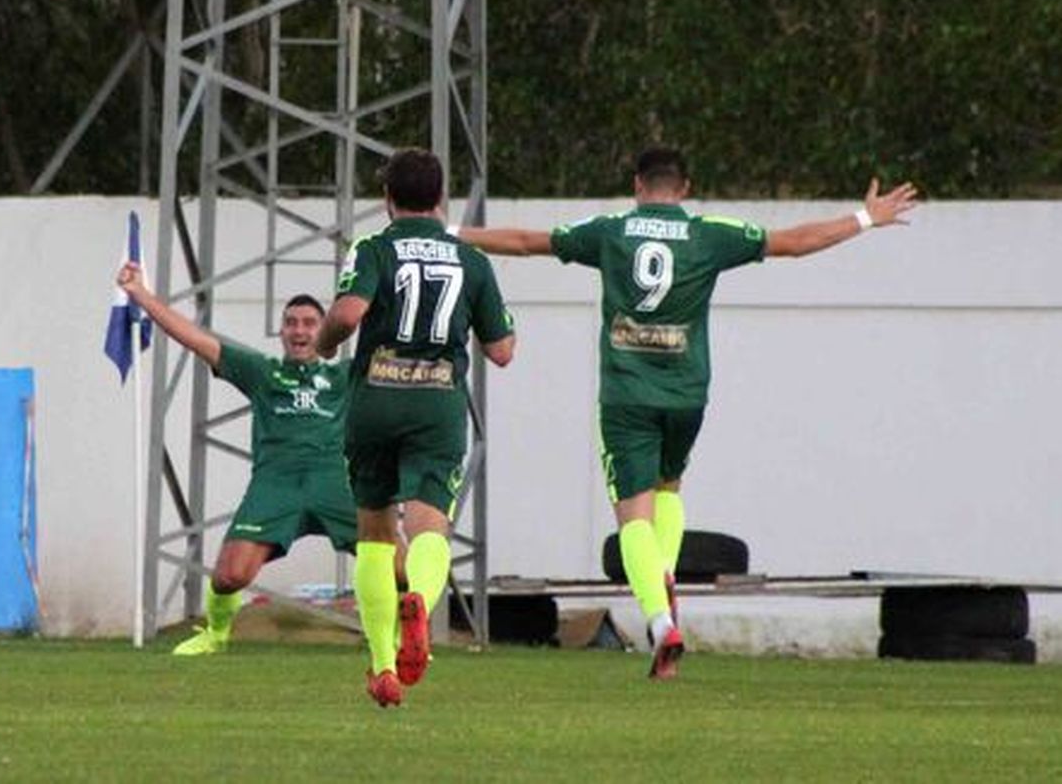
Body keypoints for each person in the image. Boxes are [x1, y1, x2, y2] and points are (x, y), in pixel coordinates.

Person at [458, 146, 919, 679]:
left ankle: (659, 621)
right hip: (686, 395)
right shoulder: (709, 233)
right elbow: (794, 243)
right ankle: (666, 579)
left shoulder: (610, 231)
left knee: (632, 512)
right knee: (669, 487)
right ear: (684, 188)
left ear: (637, 185)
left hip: (628, 396)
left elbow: (524, 242)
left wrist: (454, 234)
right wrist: (866, 216)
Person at [317, 147, 516, 707]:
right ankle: (421, 607)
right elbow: (501, 351)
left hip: (376, 399)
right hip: (436, 403)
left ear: (387, 200)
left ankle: (383, 667)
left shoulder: (374, 247)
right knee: (430, 527)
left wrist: (327, 340)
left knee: (376, 536)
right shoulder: (472, 260)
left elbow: (350, 313)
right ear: (441, 199)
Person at [116, 264, 359, 656]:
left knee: (396, 564)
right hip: (275, 482)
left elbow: (396, 358)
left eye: (310, 323)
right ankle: (216, 633)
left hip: (332, 480)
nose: (299, 331)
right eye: (291, 323)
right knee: (230, 575)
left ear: (325, 329)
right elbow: (195, 338)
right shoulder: (263, 372)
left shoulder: (345, 376)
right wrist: (139, 294)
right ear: (281, 331)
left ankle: (403, 639)